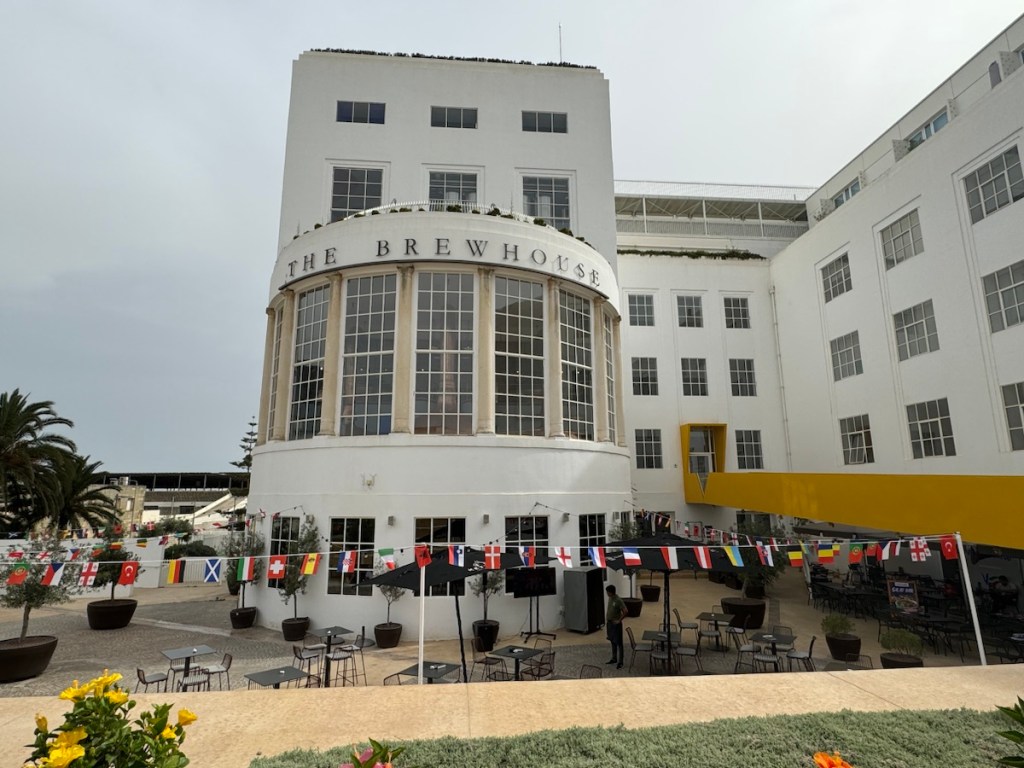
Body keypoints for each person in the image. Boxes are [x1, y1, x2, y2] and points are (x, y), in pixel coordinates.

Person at [605, 584, 627, 669]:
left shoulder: (618, 600)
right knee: (612, 641)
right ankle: (614, 658)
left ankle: (620, 661)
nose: (607, 593)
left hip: (616, 624)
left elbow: (625, 611)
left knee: (619, 643)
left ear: (611, 592)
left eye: (607, 592)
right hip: (610, 623)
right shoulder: (610, 598)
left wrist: (619, 620)